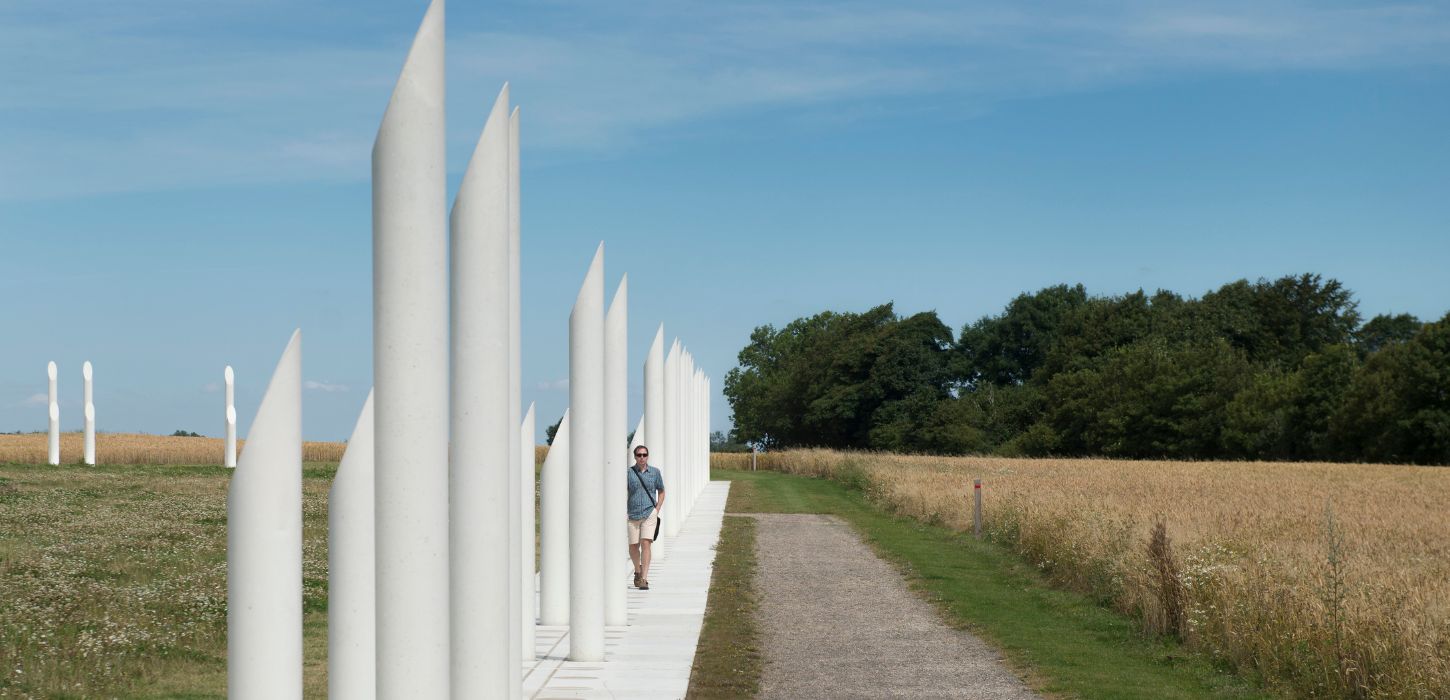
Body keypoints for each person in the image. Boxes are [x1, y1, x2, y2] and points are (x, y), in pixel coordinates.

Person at [626, 445, 665, 590]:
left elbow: (661, 491)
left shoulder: (655, 472)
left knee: (646, 544)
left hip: (649, 513)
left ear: (648, 456)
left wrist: (657, 509)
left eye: (644, 455)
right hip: (633, 514)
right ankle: (637, 570)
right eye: (639, 455)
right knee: (633, 547)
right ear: (635, 456)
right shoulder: (629, 473)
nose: (642, 457)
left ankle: (644, 578)